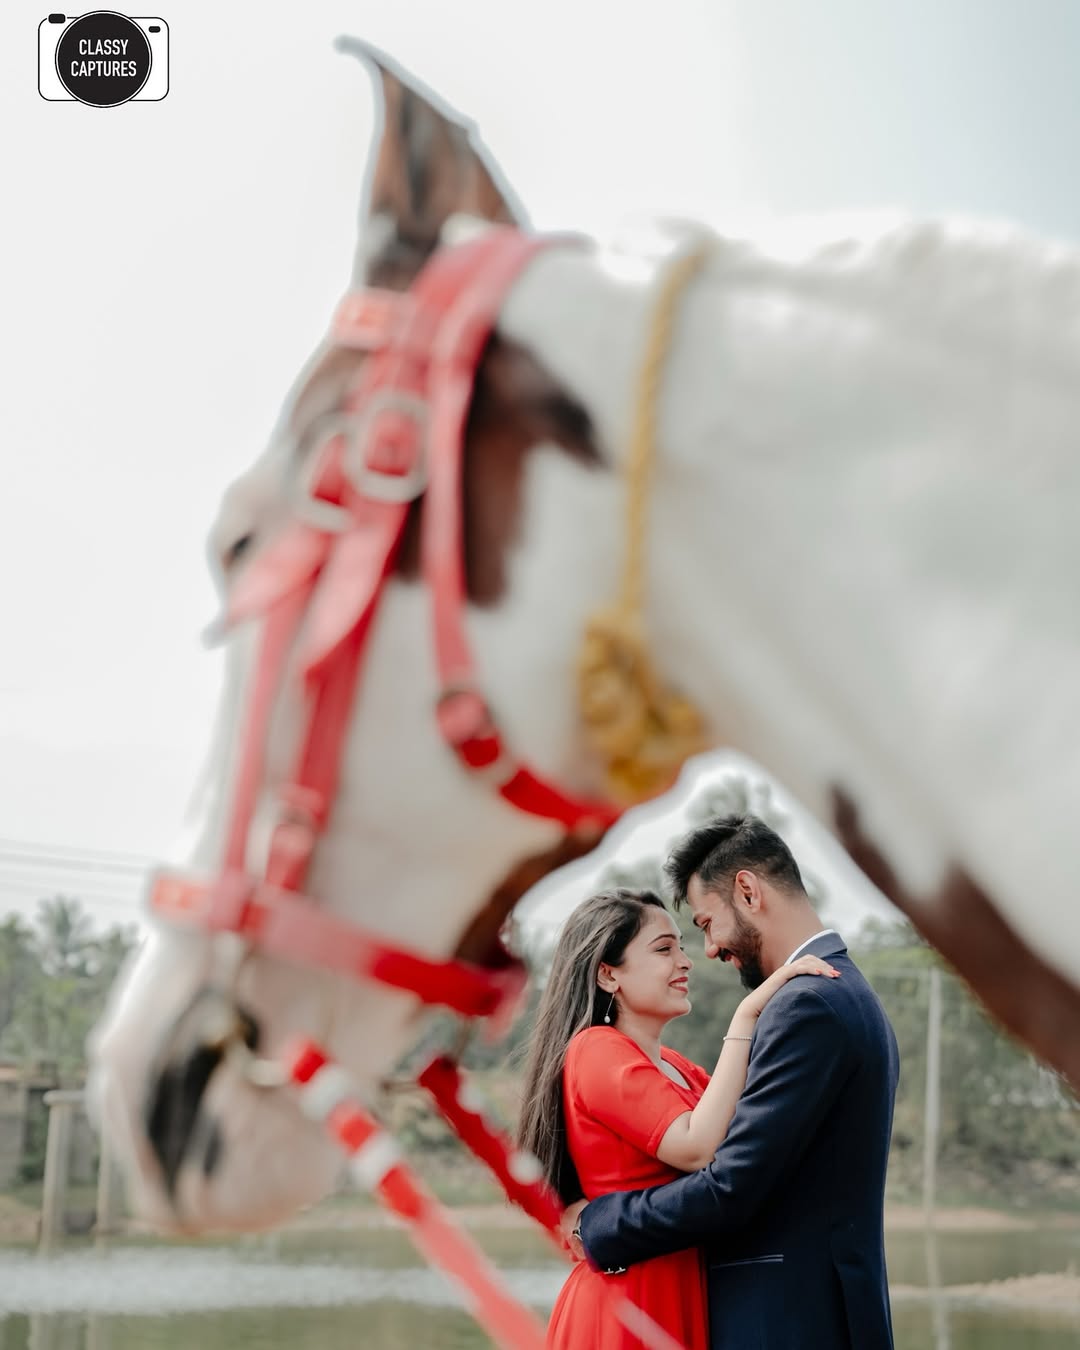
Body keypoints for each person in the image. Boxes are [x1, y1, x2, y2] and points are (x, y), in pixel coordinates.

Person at [562, 815, 901, 1350]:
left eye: (703, 925)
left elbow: (730, 1187)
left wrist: (600, 1224)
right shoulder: (840, 992)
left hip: (786, 1320)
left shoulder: (807, 1003)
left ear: (746, 890)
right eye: (668, 946)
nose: (710, 951)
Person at [518, 883, 840, 1349]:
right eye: (664, 949)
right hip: (627, 1306)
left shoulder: (679, 1068)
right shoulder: (596, 1049)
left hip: (680, 1298)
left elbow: (741, 1147)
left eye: (682, 947)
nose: (685, 962)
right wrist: (747, 1015)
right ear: (608, 975)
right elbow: (695, 1147)